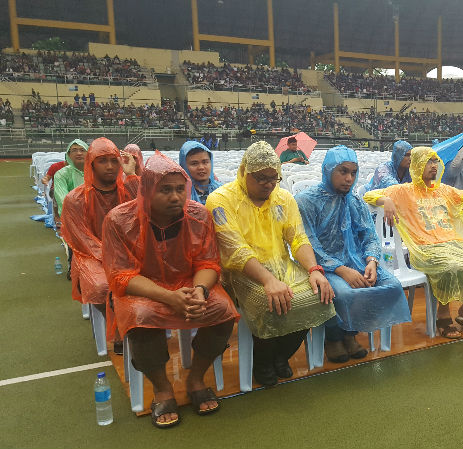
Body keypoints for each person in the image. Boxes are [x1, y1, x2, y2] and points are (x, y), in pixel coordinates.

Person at [102, 152, 238, 429]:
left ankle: (196, 377)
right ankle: (162, 388)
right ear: (147, 191)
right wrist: (168, 297)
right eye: (165, 190)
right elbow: (121, 275)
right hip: (143, 289)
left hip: (189, 284)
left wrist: (199, 291)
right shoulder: (119, 220)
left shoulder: (198, 215)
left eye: (179, 189)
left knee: (222, 309)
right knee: (140, 316)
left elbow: (208, 262)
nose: (176, 197)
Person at [205, 141, 335, 387]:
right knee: (269, 301)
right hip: (240, 272)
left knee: (319, 294)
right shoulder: (220, 200)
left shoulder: (283, 198)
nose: (267, 184)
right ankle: (263, 359)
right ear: (244, 171)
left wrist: (314, 270)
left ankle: (280, 354)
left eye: (273, 178)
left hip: (281, 265)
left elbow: (298, 238)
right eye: (261, 178)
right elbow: (235, 250)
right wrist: (268, 280)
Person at [364, 147, 463, 339]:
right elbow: (367, 195)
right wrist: (386, 199)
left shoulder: (443, 190)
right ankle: (443, 314)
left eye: (435, 162)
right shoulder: (403, 190)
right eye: (428, 162)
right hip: (425, 248)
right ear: (417, 165)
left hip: (453, 244)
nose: (434, 166)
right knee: (450, 266)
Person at [295, 146, 411, 363]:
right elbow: (308, 243)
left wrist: (372, 261)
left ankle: (351, 332)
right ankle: (333, 337)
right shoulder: (306, 201)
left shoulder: (355, 201)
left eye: (353, 173)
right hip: (324, 267)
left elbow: (369, 235)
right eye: (343, 171)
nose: (349, 179)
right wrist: (341, 269)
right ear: (328, 170)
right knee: (344, 293)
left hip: (358, 261)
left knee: (392, 286)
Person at [60, 138, 138, 353]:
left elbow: (148, 207)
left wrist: (131, 175)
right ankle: (120, 329)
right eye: (102, 161)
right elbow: (81, 238)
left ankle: (144, 324)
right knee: (103, 286)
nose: (111, 167)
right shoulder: (75, 199)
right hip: (91, 255)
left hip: (127, 252)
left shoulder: (128, 190)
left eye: (114, 160)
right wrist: (111, 256)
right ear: (91, 164)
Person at [178, 140, 222, 204]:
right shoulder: (179, 194)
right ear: (184, 166)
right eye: (194, 164)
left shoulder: (222, 190)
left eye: (205, 162)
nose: (201, 167)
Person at [53, 139, 89, 216]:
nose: (79, 153)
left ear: (88, 153)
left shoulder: (96, 172)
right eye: (74, 150)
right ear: (69, 155)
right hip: (72, 216)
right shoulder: (61, 174)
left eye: (82, 150)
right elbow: (63, 200)